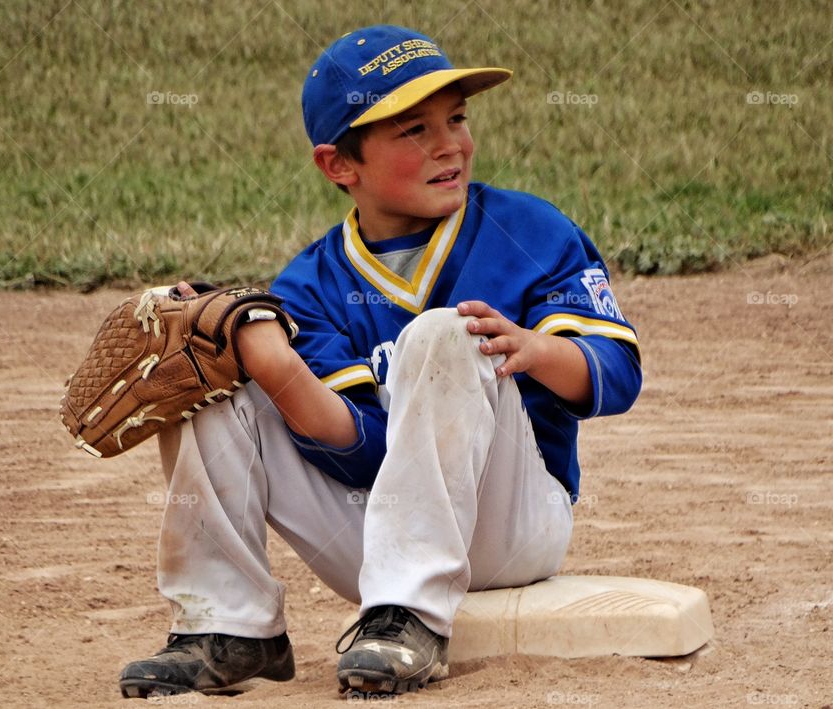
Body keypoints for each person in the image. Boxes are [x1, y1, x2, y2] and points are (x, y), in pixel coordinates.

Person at [118, 24, 642, 699]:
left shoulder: (529, 231)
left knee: (445, 332)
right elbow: (365, 454)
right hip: (377, 540)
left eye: (454, 118)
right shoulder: (311, 284)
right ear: (340, 165)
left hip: (516, 524)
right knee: (210, 365)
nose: (449, 143)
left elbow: (618, 375)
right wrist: (269, 364)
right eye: (413, 130)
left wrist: (541, 351)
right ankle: (231, 624)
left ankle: (414, 616)